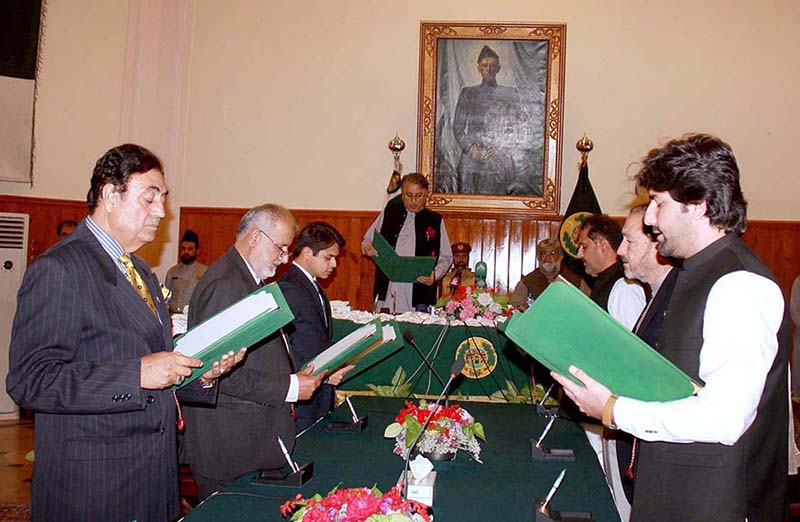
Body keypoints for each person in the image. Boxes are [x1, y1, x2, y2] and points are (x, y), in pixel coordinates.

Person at [553, 134, 791, 521]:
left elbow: (725, 419)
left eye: (659, 203)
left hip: (713, 505)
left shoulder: (739, 284)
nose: (649, 218)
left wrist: (613, 409)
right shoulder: (694, 275)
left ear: (697, 205)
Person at [6, 144, 242, 521]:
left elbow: (151, 362)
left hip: (151, 475)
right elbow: (30, 379)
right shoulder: (60, 268)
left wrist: (202, 372)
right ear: (109, 195)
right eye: (149, 198)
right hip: (94, 485)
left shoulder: (141, 272)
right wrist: (136, 374)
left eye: (162, 199)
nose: (162, 212)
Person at [182, 204, 327, 500]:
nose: (285, 258)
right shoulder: (226, 284)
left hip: (246, 441)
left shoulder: (245, 279)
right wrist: (290, 386)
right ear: (255, 237)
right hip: (228, 446)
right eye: (281, 247)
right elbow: (215, 375)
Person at [605, 205, 678, 520]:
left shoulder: (676, 299)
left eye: (629, 242)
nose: (620, 250)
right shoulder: (655, 295)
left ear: (657, 245)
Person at [279, 222, 354, 431]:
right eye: (328, 257)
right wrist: (325, 373)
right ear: (307, 253)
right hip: (304, 393)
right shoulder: (290, 288)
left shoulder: (312, 285)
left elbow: (318, 337)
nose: (334, 265)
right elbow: (287, 349)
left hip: (318, 388)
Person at [452, 45, 537, 195]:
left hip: (500, 160)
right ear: (478, 68)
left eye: (492, 66)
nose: (489, 69)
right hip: (473, 160)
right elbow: (458, 128)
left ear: (498, 68)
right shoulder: (468, 93)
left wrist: (503, 148)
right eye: (485, 65)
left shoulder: (510, 94)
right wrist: (471, 149)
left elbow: (518, 128)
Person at [362, 173, 452, 313]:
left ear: (426, 195)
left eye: (419, 195)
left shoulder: (435, 220)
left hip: (418, 288)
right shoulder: (390, 212)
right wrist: (367, 247)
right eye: (409, 195)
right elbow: (368, 240)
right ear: (402, 195)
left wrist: (435, 275)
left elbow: (446, 257)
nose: (414, 201)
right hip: (389, 285)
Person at [576, 214, 645, 330]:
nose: (579, 254)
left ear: (602, 245)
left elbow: (633, 345)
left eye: (584, 246)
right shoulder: (605, 282)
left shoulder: (625, 287)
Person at [509, 237, 589, 309]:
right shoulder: (528, 282)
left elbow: (589, 307)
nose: (547, 257)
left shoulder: (576, 281)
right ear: (538, 257)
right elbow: (516, 307)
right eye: (543, 253)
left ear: (561, 256)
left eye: (552, 253)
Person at [165, 229, 207, 313]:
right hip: (173, 317)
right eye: (184, 248)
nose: (186, 252)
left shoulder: (204, 272)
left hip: (193, 317)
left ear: (196, 251)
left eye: (190, 249)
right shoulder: (172, 272)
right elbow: (166, 297)